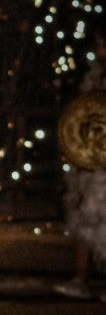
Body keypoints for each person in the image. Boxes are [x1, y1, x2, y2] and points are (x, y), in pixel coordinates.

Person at [54, 25, 106, 300]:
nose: (99, 51)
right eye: (97, 45)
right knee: (83, 219)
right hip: (89, 163)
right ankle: (81, 278)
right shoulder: (93, 78)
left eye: (103, 45)